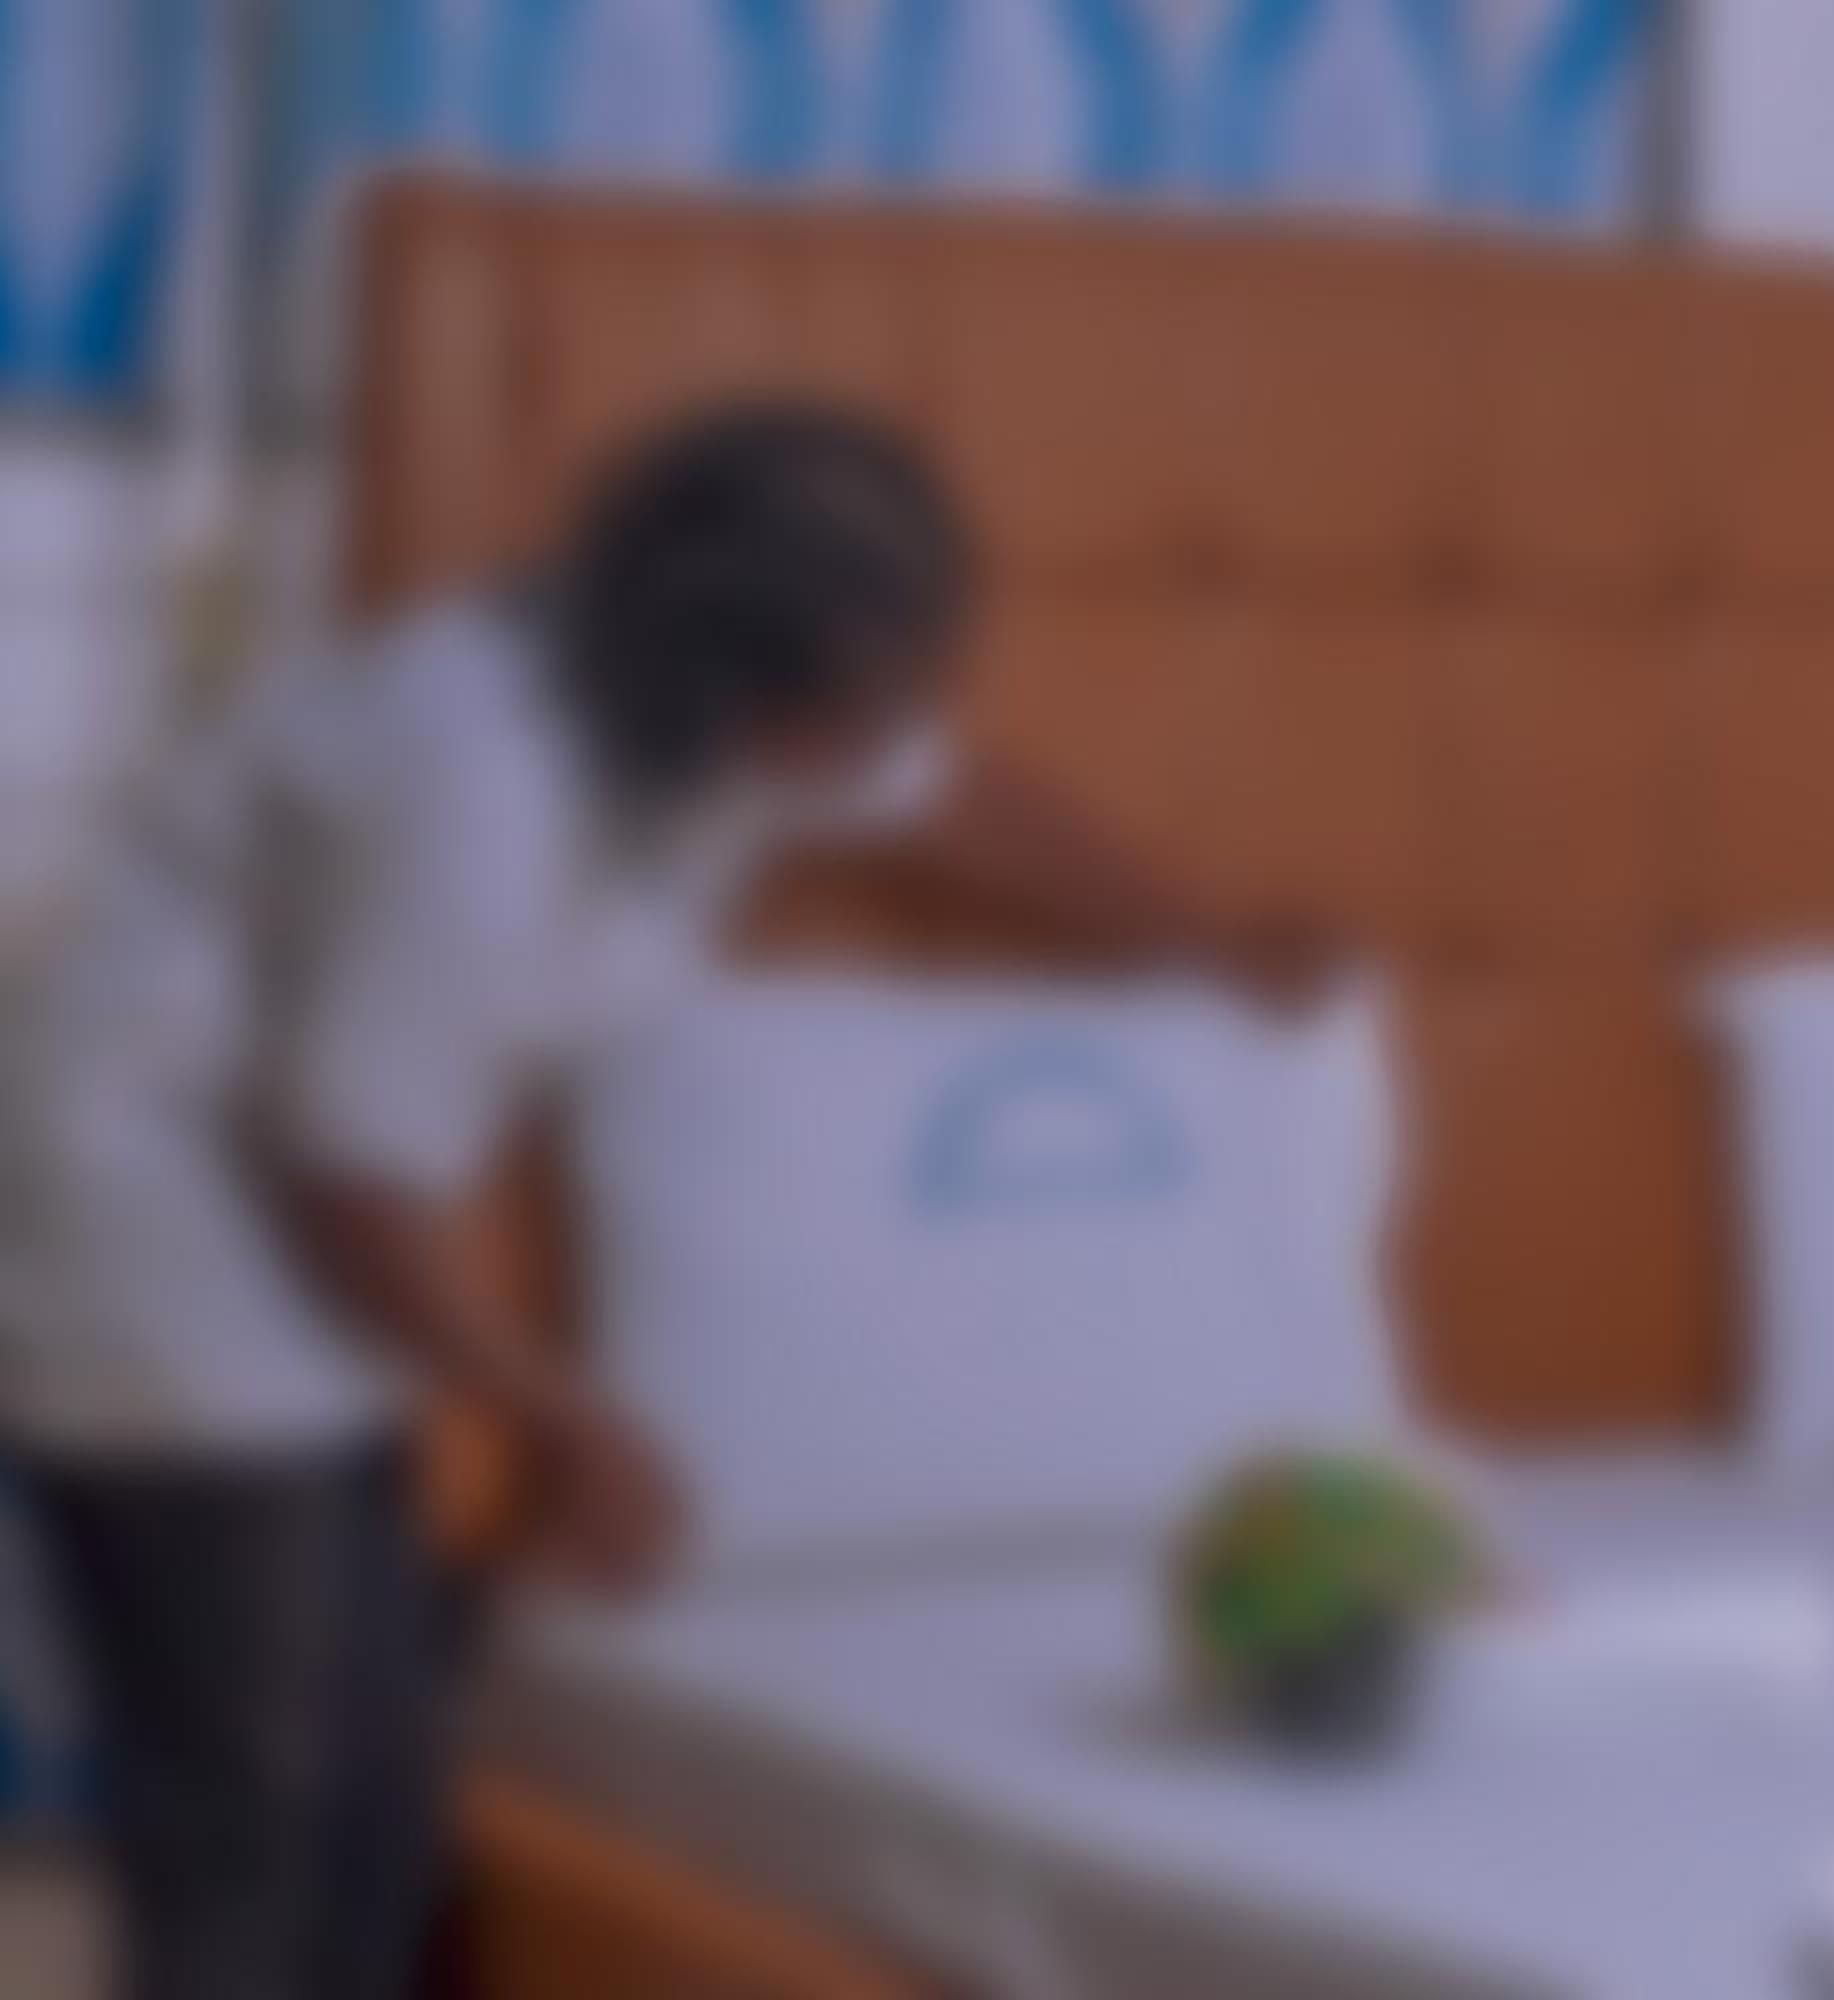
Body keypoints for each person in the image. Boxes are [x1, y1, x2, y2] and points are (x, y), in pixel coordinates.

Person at [0, 402, 1312, 2000]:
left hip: (310, 1213)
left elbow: (962, 804)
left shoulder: (728, 698)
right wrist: (574, 1424)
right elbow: (354, 1177)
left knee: (380, 1791)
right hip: (147, 1238)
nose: (905, 728)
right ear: (738, 696)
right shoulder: (469, 787)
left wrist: (1198, 941)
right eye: (872, 704)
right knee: (256, 1795)